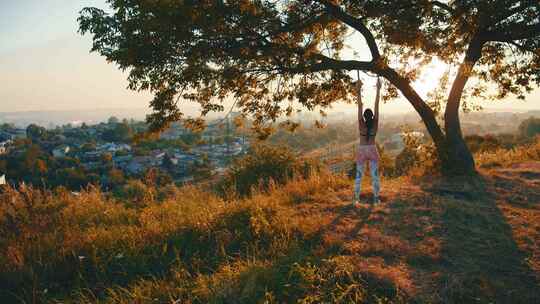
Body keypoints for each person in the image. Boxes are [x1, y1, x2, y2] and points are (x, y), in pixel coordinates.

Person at [353, 77, 381, 206]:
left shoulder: (361, 124)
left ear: (364, 116)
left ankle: (356, 199)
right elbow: (376, 105)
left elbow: (359, 105)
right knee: (375, 176)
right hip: (372, 149)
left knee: (359, 176)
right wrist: (378, 90)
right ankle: (376, 199)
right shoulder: (375, 124)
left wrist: (358, 91)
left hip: (362, 150)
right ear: (372, 116)